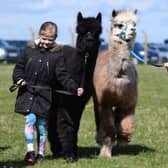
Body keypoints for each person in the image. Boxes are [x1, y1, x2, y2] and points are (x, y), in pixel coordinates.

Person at [12, 21, 84, 165]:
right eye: (44, 39)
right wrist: (19, 79)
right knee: (30, 121)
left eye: (50, 40)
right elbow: (19, 68)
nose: (46, 43)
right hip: (29, 93)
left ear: (54, 39)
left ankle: (40, 153)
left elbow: (62, 75)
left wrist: (74, 87)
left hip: (45, 97)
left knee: (41, 126)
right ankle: (30, 152)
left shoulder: (57, 56)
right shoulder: (28, 50)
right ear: (40, 35)